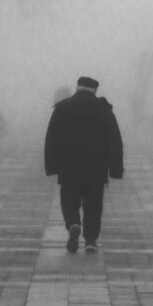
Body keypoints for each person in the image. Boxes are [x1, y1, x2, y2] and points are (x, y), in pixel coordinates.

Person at [44, 75, 124, 253]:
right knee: (93, 204)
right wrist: (116, 169)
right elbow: (114, 141)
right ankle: (90, 240)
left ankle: (73, 223)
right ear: (94, 90)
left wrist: (52, 165)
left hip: (68, 166)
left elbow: (52, 138)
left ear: (77, 88)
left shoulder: (62, 108)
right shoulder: (103, 110)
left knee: (69, 199)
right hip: (96, 167)